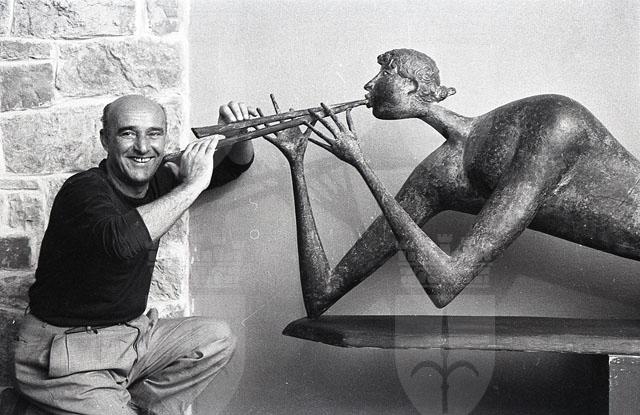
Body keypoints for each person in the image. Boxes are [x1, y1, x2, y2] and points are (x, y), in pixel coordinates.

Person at [266, 48, 640, 318]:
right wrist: (296, 164)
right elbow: (322, 293)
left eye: (384, 74)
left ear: (410, 86)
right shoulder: (439, 175)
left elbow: (446, 283)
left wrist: (362, 165)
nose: (369, 84)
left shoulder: (550, 120)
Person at [11, 95, 254, 414]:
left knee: (216, 338)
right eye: (128, 133)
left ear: (164, 138)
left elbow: (234, 166)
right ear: (105, 140)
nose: (143, 147)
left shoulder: (160, 179)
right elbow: (123, 242)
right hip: (62, 353)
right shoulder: (82, 191)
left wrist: (238, 135)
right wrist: (192, 185)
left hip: (128, 337)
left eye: (154, 134)